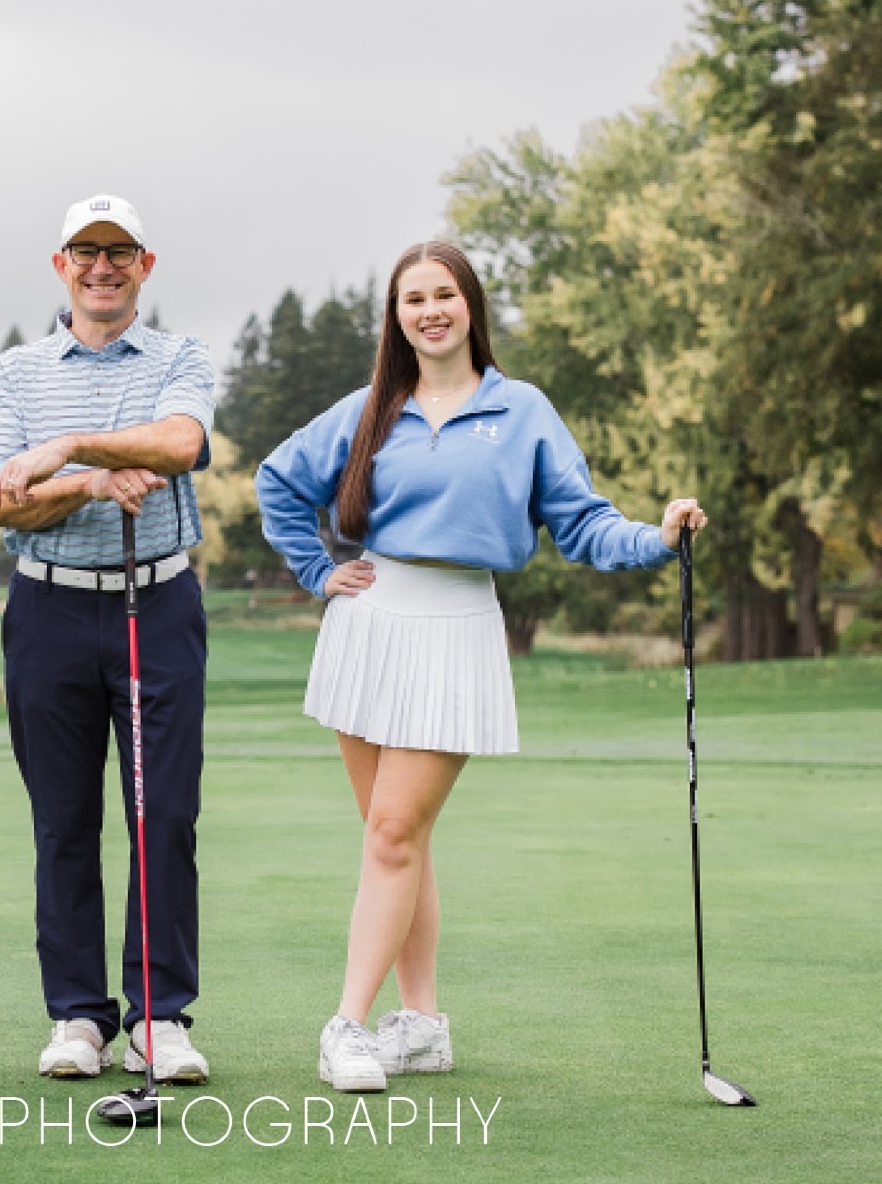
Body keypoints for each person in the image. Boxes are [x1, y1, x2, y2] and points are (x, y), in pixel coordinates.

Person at [255, 239, 707, 1093]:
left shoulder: (523, 411)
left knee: (394, 833)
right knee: (397, 839)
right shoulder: (371, 409)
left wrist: (658, 538)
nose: (429, 310)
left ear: (471, 306)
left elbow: (582, 523)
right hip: (367, 623)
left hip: (457, 627)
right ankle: (419, 1024)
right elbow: (278, 481)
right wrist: (319, 573)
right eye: (412, 298)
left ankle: (345, 1025)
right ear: (396, 318)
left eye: (444, 295)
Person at [0, 194, 216, 1085]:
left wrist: (65, 447)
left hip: (158, 602)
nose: (102, 266)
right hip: (50, 609)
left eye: (120, 251)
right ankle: (79, 1015)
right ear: (60, 264)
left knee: (166, 815)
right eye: (86, 250)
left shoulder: (181, 356)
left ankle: (160, 1015)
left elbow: (182, 444)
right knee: (63, 821)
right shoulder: (16, 372)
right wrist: (90, 478)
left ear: (144, 265)